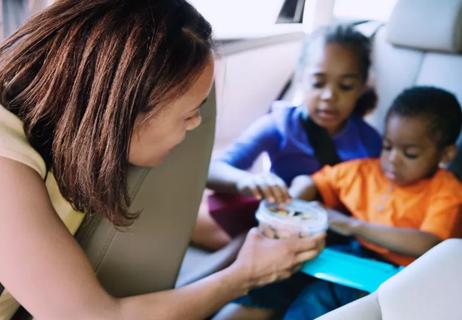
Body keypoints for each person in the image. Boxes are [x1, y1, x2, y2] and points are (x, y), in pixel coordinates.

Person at [0, 1, 325, 319]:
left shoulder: (56, 141)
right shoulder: (6, 171)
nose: (197, 122)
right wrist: (244, 276)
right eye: (189, 114)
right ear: (125, 109)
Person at [193, 24, 383, 251]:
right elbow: (212, 170)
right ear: (301, 78)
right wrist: (247, 181)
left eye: (346, 86)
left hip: (333, 232)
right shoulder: (280, 125)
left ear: (362, 87)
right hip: (275, 221)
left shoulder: (370, 142)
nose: (330, 96)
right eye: (318, 82)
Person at [284, 86, 462, 319]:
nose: (392, 160)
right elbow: (312, 182)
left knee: (322, 299)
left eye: (410, 154)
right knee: (305, 294)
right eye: (387, 146)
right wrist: (293, 199)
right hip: (354, 258)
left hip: (408, 274)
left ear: (446, 155)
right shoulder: (367, 171)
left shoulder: (446, 190)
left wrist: (351, 225)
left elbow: (428, 243)